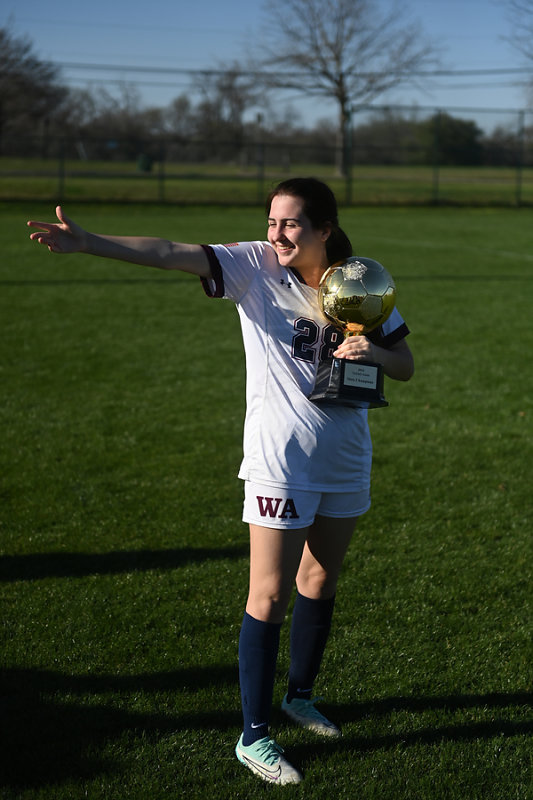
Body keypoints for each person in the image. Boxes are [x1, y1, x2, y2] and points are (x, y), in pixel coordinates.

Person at [28, 178, 414, 786]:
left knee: (320, 580)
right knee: (270, 594)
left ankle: (300, 697)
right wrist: (90, 242)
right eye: (272, 222)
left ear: (324, 229)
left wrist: (374, 355)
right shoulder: (254, 267)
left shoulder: (358, 281)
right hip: (280, 462)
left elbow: (405, 364)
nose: (277, 234)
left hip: (346, 457)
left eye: (290, 224)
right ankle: (253, 736)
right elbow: (171, 252)